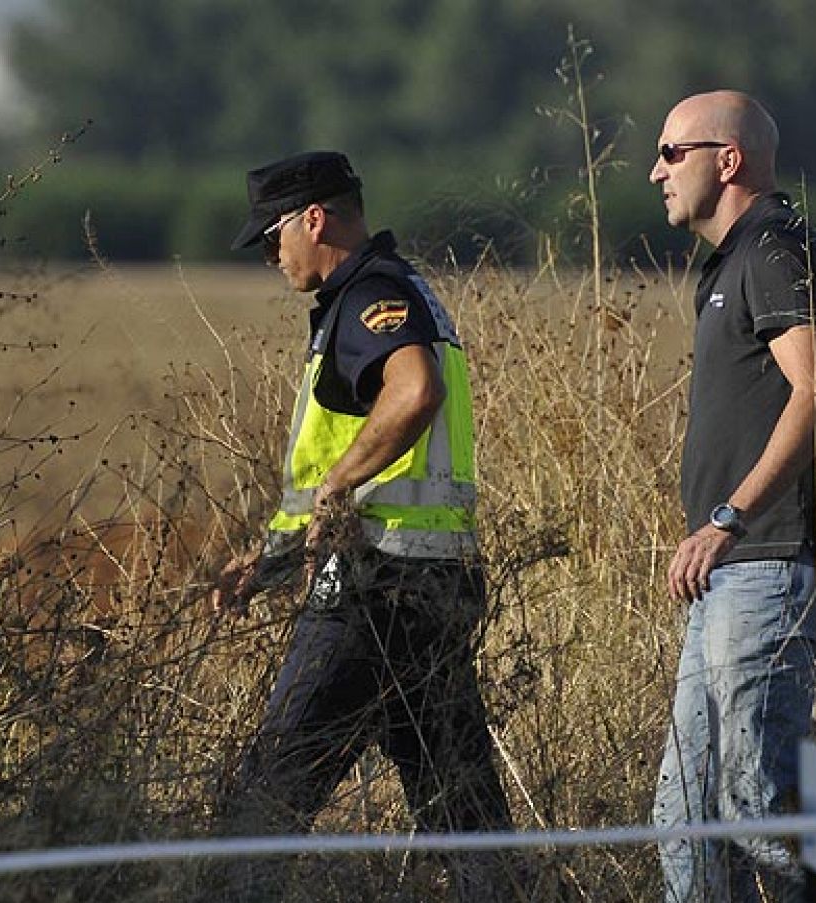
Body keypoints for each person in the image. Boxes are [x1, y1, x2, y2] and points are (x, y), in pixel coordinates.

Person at [212, 151, 514, 900]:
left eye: (271, 235)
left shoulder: (370, 297)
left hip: (375, 588)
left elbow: (414, 393)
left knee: (270, 788)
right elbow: (343, 467)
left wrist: (339, 486)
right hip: (432, 582)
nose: (269, 254)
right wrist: (271, 558)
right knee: (461, 804)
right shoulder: (401, 290)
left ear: (314, 219)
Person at [646, 92, 816, 902]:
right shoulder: (737, 258)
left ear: (727, 160)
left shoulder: (775, 251)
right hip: (736, 570)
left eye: (672, 153)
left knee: (757, 802)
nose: (655, 171)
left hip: (777, 560)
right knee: (686, 810)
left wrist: (726, 518)